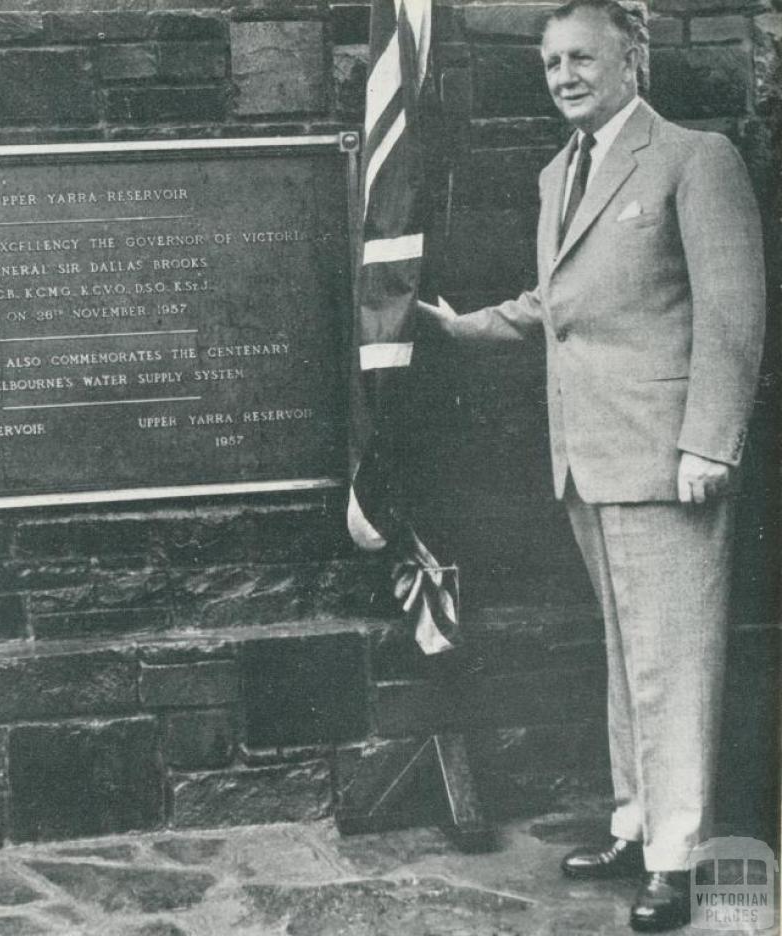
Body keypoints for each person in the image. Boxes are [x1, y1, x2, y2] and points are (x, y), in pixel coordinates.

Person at [417, 0, 766, 930]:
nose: (565, 75)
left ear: (631, 60)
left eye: (582, 58)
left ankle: (678, 858)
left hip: (666, 462)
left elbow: (733, 313)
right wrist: (464, 326)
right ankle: (635, 821)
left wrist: (708, 443)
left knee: (674, 662)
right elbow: (556, 303)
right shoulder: (558, 172)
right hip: (586, 456)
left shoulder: (696, 159)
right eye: (552, 63)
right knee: (627, 655)